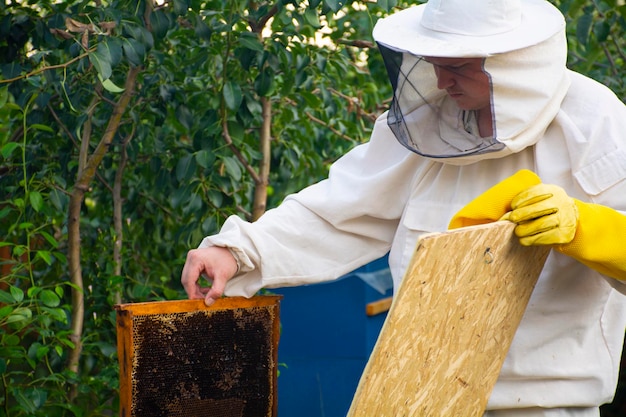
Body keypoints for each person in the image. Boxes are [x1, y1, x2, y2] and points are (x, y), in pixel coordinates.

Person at [181, 0, 626, 415]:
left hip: (541, 404)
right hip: (420, 393)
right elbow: (340, 209)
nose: (440, 81)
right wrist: (240, 249)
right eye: (434, 65)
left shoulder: (596, 123)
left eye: (456, 67)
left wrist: (584, 227)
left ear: (511, 64)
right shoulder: (429, 122)